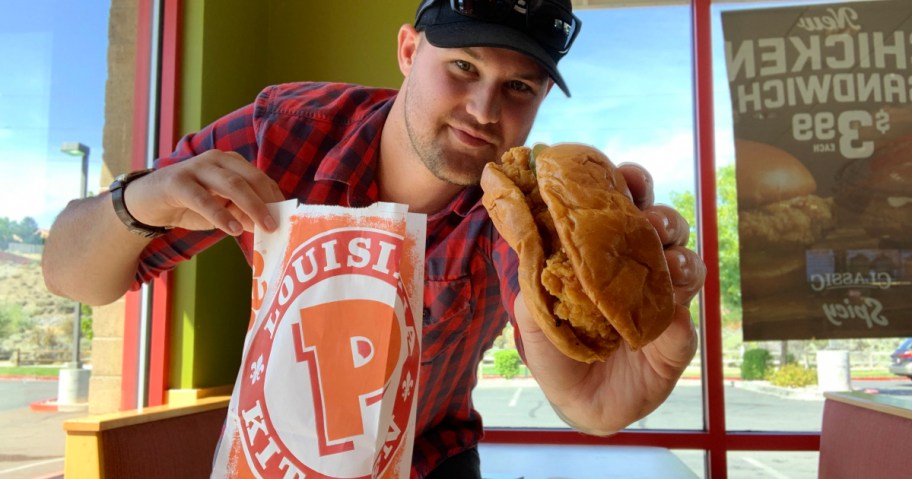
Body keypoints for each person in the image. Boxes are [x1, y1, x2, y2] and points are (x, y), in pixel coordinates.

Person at [42, 0, 706, 477]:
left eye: (518, 87)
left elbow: (565, 368)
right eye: (465, 67)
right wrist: (138, 202)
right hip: (277, 452)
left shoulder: (517, 214)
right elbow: (71, 275)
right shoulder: (288, 132)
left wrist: (595, 397)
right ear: (410, 51)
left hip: (433, 460)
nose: (483, 111)